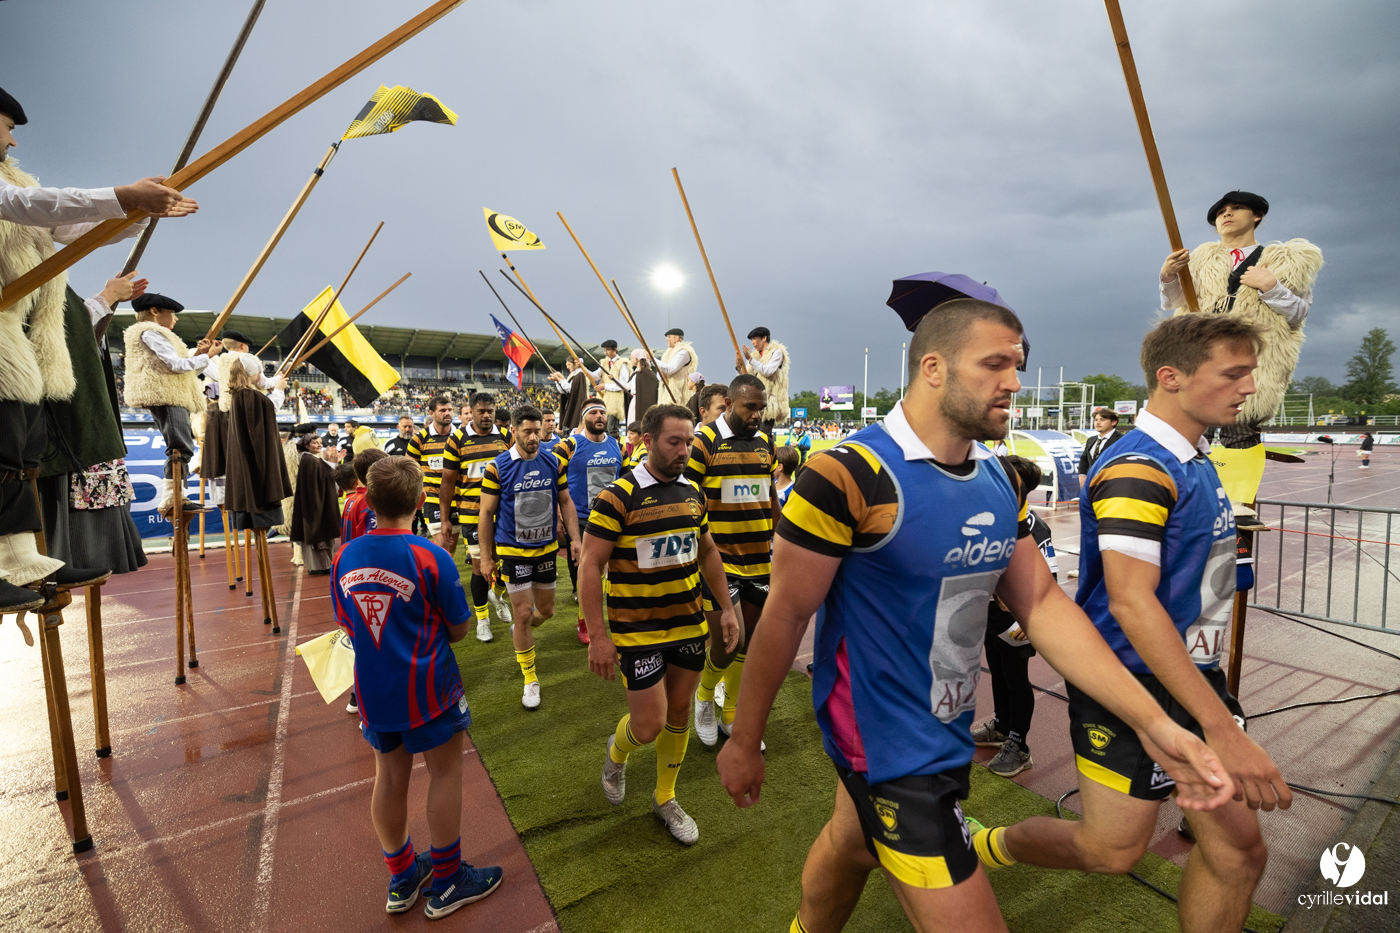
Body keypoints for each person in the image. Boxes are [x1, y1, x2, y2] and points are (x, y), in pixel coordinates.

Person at [716, 296, 1237, 933]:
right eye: (995, 364)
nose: (1015, 381)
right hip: (886, 741)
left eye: (1017, 364)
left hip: (946, 726)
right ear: (933, 367)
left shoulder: (995, 477)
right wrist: (745, 741)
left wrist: (1154, 722)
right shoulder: (847, 473)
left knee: (852, 846)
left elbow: (1042, 603)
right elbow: (786, 617)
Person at [331, 456, 504, 918]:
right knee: (445, 773)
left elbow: (347, 621)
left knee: (388, 778)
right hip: (430, 687)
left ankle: (403, 874)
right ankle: (448, 880)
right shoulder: (431, 556)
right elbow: (461, 627)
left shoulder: (345, 556)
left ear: (367, 500)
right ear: (421, 500)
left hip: (372, 690)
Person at [581, 403, 740, 844]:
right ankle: (616, 756)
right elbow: (590, 564)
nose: (684, 450)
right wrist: (598, 636)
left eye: (689, 441)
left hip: (688, 624)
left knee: (679, 715)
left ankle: (665, 797)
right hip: (638, 631)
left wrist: (726, 607)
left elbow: (707, 551)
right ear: (648, 441)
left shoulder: (693, 492)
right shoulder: (619, 495)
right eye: (675, 441)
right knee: (648, 726)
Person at [1159, 190, 1323, 448]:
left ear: (1257, 216)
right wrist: (1168, 276)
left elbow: (1298, 313)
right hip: (1201, 365)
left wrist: (1270, 287)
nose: (1226, 213)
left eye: (1236, 208)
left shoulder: (1285, 260)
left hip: (1250, 368)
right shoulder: (1200, 261)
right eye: (1221, 212)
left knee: (1239, 444)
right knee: (1188, 445)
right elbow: (1173, 304)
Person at [687, 375, 781, 747]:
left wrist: (784, 537)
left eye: (761, 408)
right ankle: (705, 695)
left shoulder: (765, 443)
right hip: (719, 559)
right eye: (750, 407)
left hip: (759, 558)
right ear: (728, 403)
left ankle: (731, 715)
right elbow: (687, 496)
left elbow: (769, 497)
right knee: (730, 641)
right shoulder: (704, 441)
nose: (757, 415)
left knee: (750, 642)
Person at [479, 405, 581, 710]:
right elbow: (485, 514)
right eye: (527, 431)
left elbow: (566, 501)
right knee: (523, 613)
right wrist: (486, 558)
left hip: (547, 550)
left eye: (538, 430)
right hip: (513, 551)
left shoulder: (552, 461)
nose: (535, 436)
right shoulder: (497, 467)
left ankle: (519, 629)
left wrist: (575, 539)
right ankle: (530, 679)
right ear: (513, 431)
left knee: (545, 612)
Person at [971, 456, 1057, 779]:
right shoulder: (993, 519)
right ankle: (1001, 727)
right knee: (999, 672)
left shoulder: (1035, 527)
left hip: (1017, 622)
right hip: (992, 617)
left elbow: (1050, 576)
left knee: (1016, 677)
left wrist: (1027, 620)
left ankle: (1019, 746)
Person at [122, 292, 221, 515]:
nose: (175, 319)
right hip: (165, 393)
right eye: (172, 314)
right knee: (179, 447)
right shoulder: (150, 333)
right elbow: (176, 365)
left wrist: (204, 354)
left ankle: (176, 495)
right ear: (154, 312)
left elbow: (187, 371)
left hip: (172, 391)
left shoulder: (160, 335)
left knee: (181, 445)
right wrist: (205, 356)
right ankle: (171, 497)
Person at [439, 392, 511, 642]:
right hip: (472, 514)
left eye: (490, 410)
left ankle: (498, 597)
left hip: (504, 514)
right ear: (471, 411)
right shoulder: (457, 439)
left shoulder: (505, 436)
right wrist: (446, 518)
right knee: (481, 568)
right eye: (481, 411)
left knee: (507, 563)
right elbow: (447, 481)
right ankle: (482, 620)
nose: (487, 415)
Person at [553, 399, 623, 644]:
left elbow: (624, 481)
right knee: (588, 572)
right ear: (584, 418)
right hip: (582, 519)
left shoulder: (617, 445)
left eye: (602, 412)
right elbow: (552, 480)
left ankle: (616, 618)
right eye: (593, 412)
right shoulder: (569, 445)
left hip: (613, 518)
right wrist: (558, 516)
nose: (599, 416)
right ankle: (585, 622)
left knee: (614, 572)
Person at [291, 433, 342, 575]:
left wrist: (332, 462)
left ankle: (322, 565)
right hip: (315, 507)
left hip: (316, 504)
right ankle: (320, 566)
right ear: (306, 445)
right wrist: (332, 463)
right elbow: (324, 479)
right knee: (318, 535)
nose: (319, 445)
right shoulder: (310, 460)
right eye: (315, 442)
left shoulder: (312, 459)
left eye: (320, 442)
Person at [406, 396, 456, 539]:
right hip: (432, 499)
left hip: (457, 498)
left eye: (450, 410)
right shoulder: (419, 438)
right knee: (442, 544)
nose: (448, 413)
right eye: (442, 410)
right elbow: (409, 471)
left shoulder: (460, 437)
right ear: (432, 413)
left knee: (451, 545)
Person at [738, 326, 790, 428]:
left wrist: (751, 359)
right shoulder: (755, 356)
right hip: (756, 401)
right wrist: (739, 368)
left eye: (754, 339)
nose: (752, 342)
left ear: (764, 338)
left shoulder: (777, 352)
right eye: (751, 340)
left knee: (764, 434)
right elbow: (747, 378)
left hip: (770, 403)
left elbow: (768, 371)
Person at [1077, 408, 1123, 486]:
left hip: (1111, 485)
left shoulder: (1121, 440)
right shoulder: (1091, 440)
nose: (1097, 423)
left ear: (1113, 422)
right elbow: (1084, 459)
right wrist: (1082, 475)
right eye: (1096, 420)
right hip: (1090, 484)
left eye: (1102, 420)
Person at [594, 339, 632, 431]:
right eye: (604, 350)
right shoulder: (604, 363)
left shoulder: (622, 364)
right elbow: (595, 376)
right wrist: (582, 368)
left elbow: (623, 385)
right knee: (603, 429)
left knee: (611, 428)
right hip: (604, 399)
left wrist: (605, 386)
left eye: (608, 350)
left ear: (615, 349)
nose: (606, 353)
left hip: (615, 401)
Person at [657, 327, 699, 405]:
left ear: (676, 338)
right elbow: (660, 375)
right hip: (667, 392)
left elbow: (670, 369)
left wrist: (652, 359)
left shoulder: (683, 352)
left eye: (669, 337)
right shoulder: (668, 354)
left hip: (679, 394)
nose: (667, 339)